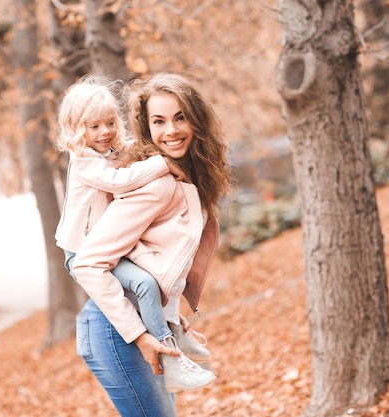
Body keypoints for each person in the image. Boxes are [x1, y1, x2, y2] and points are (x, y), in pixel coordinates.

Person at [71, 73, 232, 416]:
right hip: (119, 332)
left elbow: (153, 258)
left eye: (180, 117)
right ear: (147, 126)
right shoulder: (156, 185)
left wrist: (169, 317)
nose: (171, 130)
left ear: (197, 119)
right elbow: (86, 263)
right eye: (159, 121)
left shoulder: (183, 178)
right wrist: (141, 336)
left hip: (145, 323)